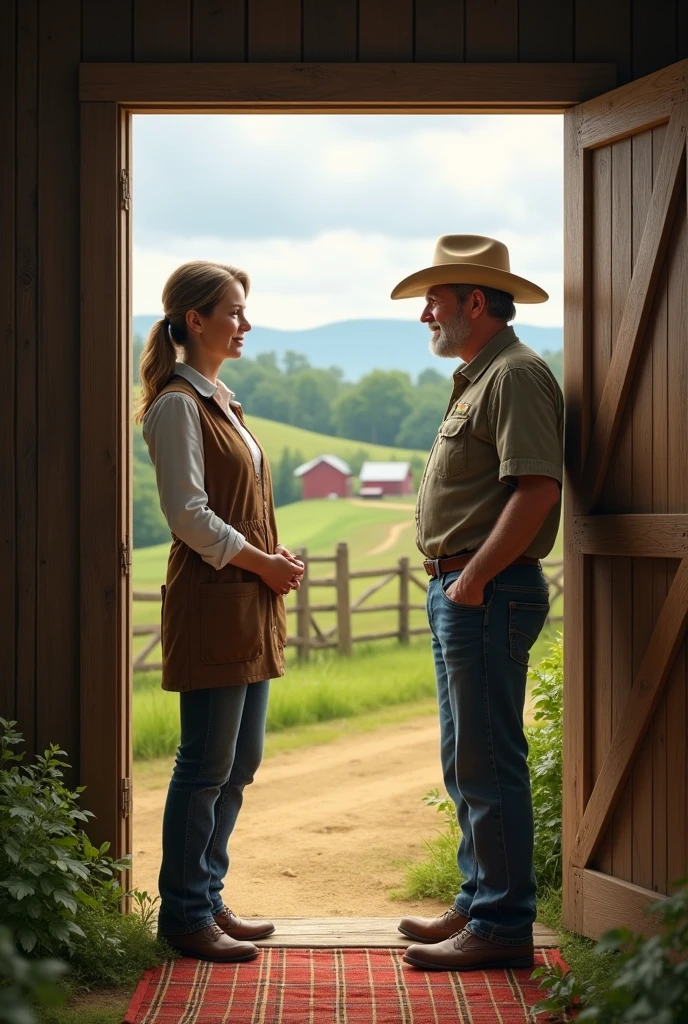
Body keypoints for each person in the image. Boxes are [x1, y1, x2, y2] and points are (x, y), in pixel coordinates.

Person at [391, 236, 563, 972]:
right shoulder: (479, 374)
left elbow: (537, 490)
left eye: (436, 298)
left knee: (488, 758)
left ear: (476, 302)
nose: (424, 312)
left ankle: (501, 926)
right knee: (466, 756)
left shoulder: (517, 374)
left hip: (484, 590)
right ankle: (478, 897)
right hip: (462, 589)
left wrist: (471, 580)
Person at [135, 261, 304, 962]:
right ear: (195, 320)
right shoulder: (178, 404)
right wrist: (262, 562)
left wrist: (272, 553)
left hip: (247, 600)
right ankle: (182, 916)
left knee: (238, 763)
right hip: (214, 603)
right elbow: (189, 517)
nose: (245, 323)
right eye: (233, 311)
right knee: (205, 763)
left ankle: (205, 895)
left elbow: (233, 507)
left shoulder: (222, 400)